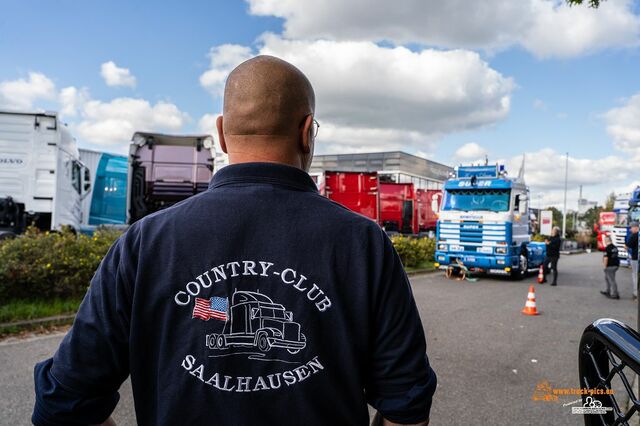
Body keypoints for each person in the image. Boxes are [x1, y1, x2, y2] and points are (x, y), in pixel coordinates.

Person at [32, 56, 437, 426]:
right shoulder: (364, 244)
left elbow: (65, 402)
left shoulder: (146, 242)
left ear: (222, 134)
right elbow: (406, 406)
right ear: (306, 132)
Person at [601, 236, 620, 300]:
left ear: (606, 241)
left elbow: (606, 258)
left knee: (612, 280)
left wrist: (605, 267)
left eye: (605, 240)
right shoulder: (615, 247)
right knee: (607, 278)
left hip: (610, 266)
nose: (604, 242)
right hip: (616, 265)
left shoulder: (607, 248)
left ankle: (615, 294)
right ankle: (607, 291)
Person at [626, 221, 639, 299]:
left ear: (636, 227)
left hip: (635, 258)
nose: (630, 230)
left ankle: (635, 293)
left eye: (631, 228)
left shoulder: (634, 236)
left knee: (635, 275)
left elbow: (627, 246)